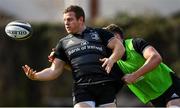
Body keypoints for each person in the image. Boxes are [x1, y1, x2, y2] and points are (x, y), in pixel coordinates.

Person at [22, 5, 125, 108]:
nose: (66, 23)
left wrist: (111, 59)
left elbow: (119, 47)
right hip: (82, 88)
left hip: (105, 86)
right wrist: (36, 76)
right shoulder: (63, 43)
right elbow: (54, 70)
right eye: (65, 20)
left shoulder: (99, 33)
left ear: (80, 19)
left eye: (70, 19)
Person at [103, 24, 180, 107]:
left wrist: (134, 76)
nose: (106, 44)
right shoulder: (113, 60)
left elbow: (156, 57)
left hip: (169, 85)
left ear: (117, 37)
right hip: (154, 97)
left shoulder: (135, 44)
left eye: (108, 40)